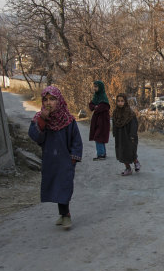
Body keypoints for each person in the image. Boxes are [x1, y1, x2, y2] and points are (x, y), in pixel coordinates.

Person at [29, 86, 83, 229]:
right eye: (45, 99)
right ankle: (62, 214)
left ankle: (66, 216)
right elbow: (35, 137)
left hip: (65, 161)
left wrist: (73, 158)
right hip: (50, 161)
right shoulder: (40, 119)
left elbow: (76, 141)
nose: (49, 103)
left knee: (64, 186)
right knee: (55, 187)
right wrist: (42, 120)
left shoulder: (68, 120)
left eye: (52, 99)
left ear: (59, 101)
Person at [112, 93, 141, 176]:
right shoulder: (115, 113)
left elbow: (134, 125)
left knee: (130, 152)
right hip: (120, 136)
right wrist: (114, 133)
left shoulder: (130, 113)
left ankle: (136, 162)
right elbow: (114, 124)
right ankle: (128, 168)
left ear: (125, 102)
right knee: (121, 153)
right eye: (118, 101)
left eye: (122, 101)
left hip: (129, 136)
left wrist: (132, 135)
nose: (120, 103)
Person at [89, 80, 110, 160]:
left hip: (103, 121)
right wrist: (95, 107)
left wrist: (96, 107)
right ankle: (103, 153)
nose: (94, 88)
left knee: (98, 136)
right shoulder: (96, 96)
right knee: (98, 136)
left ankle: (101, 154)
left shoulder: (103, 97)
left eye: (96, 87)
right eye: (94, 86)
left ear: (100, 87)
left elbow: (103, 107)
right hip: (97, 120)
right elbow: (91, 105)